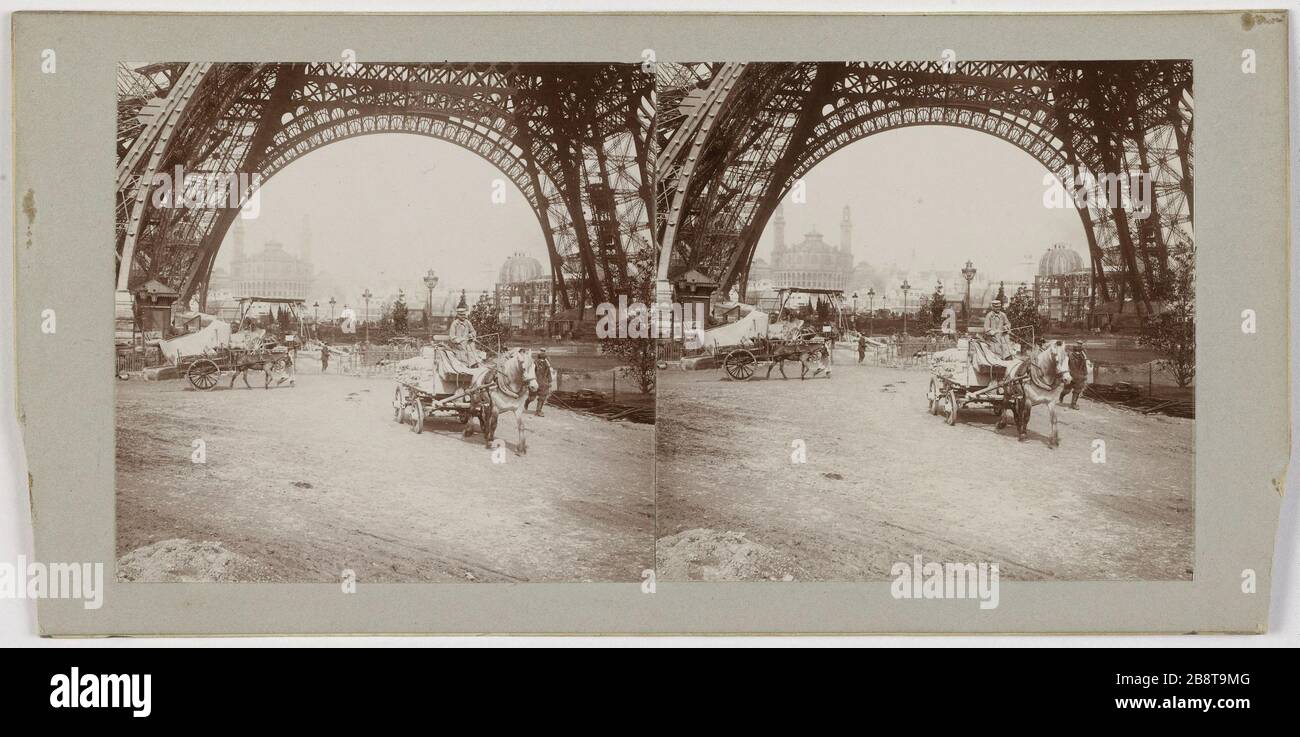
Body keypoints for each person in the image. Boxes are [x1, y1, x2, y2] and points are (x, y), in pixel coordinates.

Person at [1059, 339, 1090, 409]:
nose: (1079, 347)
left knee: (1078, 390)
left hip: (1080, 376)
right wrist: (1066, 374)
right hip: (1071, 375)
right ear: (1074, 348)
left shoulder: (1083, 355)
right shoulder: (1069, 355)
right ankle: (1061, 395)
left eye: (1080, 345)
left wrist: (1085, 374)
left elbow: (1086, 364)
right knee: (1067, 390)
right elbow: (1065, 366)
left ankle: (1073, 404)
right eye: (1077, 346)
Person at [526, 347, 553, 417]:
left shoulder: (547, 363)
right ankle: (527, 402)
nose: (542, 353)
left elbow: (549, 373)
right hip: (535, 382)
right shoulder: (535, 363)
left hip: (544, 383)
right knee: (532, 398)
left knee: (542, 397)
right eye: (541, 352)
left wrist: (550, 381)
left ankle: (538, 411)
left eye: (544, 352)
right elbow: (531, 372)